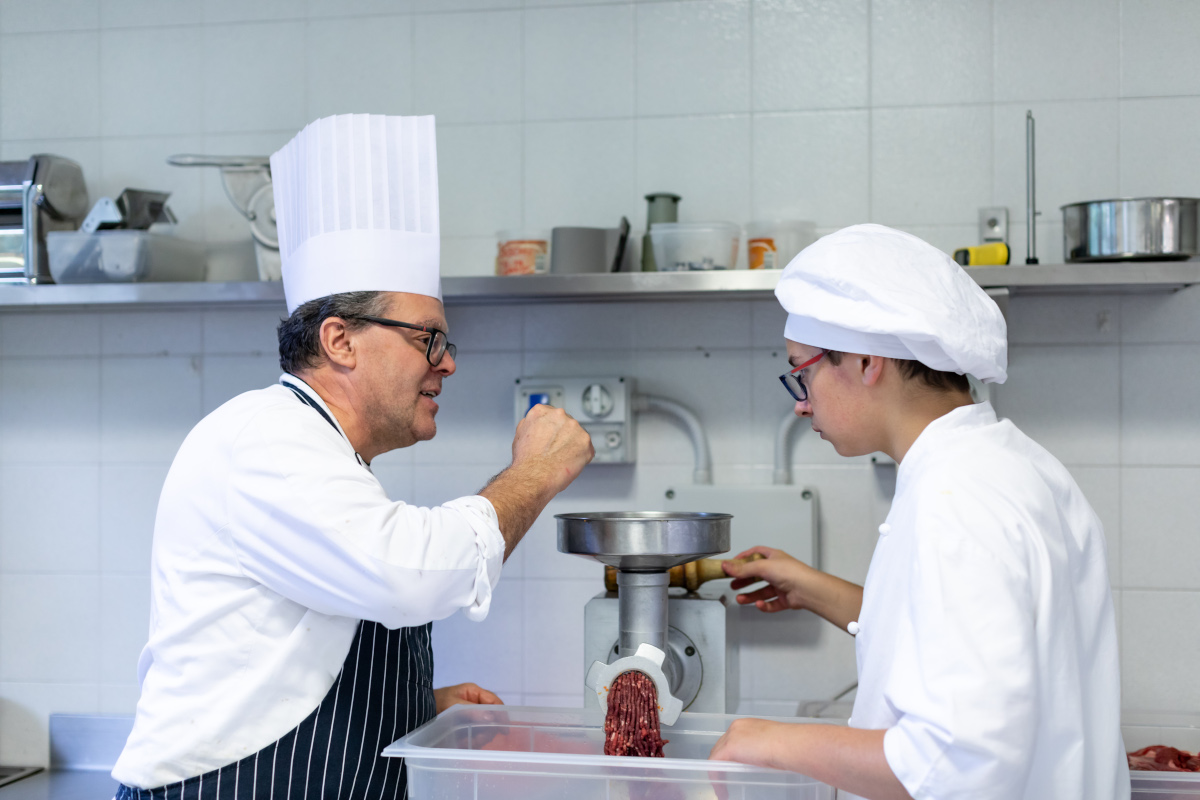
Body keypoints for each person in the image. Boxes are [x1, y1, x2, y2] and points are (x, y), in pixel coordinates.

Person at [112, 115, 594, 800]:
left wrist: (413, 707)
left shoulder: (323, 458)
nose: (448, 363)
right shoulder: (266, 439)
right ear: (340, 341)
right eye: (428, 339)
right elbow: (408, 575)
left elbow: (284, 660)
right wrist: (536, 473)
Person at [709, 224, 1129, 800]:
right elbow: (964, 634)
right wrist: (810, 588)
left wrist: (769, 741)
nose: (801, 404)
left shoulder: (955, 499)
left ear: (863, 361)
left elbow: (956, 760)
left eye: (802, 372)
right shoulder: (1017, 466)